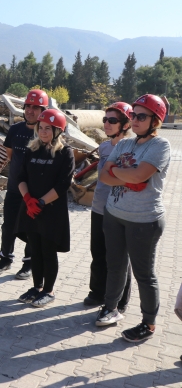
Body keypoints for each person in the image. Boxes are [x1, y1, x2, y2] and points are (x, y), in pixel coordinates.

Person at [96, 94, 170, 343]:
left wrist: (123, 173)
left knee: (143, 274)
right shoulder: (124, 144)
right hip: (114, 214)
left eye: (141, 116)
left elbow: (140, 177)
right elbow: (105, 177)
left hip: (144, 221)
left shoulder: (160, 146)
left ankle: (148, 323)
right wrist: (129, 175)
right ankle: (111, 308)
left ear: (155, 120)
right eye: (133, 115)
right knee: (115, 265)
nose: (135, 120)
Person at [15, 109, 75, 308]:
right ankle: (36, 287)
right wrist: (28, 200)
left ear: (58, 130)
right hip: (31, 209)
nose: (43, 132)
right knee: (35, 250)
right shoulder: (31, 150)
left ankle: (49, 290)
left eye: (48, 128)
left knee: (48, 251)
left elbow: (63, 184)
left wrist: (41, 202)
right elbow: (20, 178)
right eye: (41, 127)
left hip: (51, 211)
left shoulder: (65, 153)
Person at [0, 89, 47, 279]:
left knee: (32, 227)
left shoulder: (46, 133)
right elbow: (10, 154)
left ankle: (29, 263)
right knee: (9, 225)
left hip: (36, 192)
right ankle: (5, 258)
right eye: (28, 107)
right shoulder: (15, 130)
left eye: (36, 108)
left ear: (43, 110)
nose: (30, 111)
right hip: (15, 188)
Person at [84, 102, 133, 311]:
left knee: (119, 258)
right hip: (98, 207)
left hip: (120, 210)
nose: (106, 124)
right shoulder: (104, 147)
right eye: (105, 120)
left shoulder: (132, 148)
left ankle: (120, 300)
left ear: (124, 124)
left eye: (112, 120)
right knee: (98, 251)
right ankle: (97, 292)